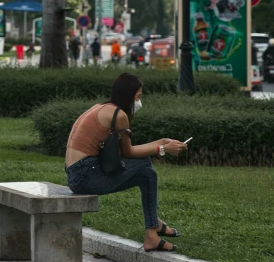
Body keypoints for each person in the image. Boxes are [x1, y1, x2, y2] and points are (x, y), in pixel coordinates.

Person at [65, 73, 188, 252]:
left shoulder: (100, 107)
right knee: (145, 166)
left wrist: (161, 142)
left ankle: (153, 232)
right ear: (129, 95)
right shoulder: (119, 115)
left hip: (75, 174)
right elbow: (129, 152)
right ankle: (154, 226)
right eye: (138, 96)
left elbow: (125, 152)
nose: (139, 101)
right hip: (87, 176)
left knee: (147, 174)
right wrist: (163, 150)